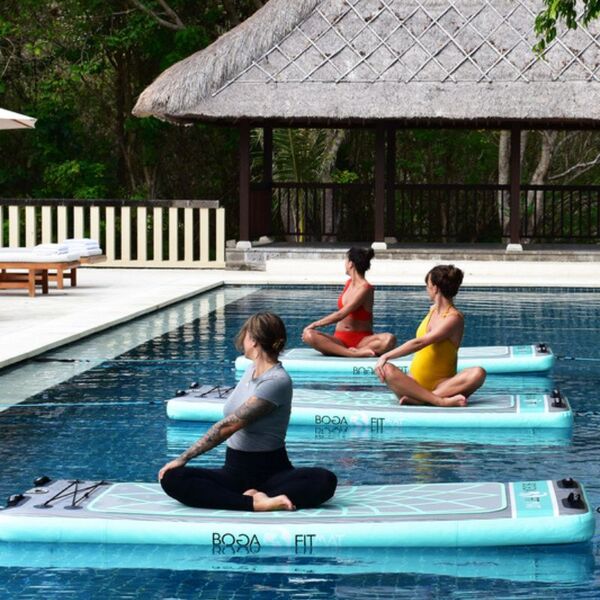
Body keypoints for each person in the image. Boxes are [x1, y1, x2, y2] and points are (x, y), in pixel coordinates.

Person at [159, 312, 337, 512]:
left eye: (245, 335)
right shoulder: (250, 370)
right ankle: (258, 501)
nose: (241, 340)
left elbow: (229, 426)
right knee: (173, 478)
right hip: (233, 472)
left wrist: (183, 458)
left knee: (324, 480)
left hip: (273, 473)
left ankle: (249, 501)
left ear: (253, 340)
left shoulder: (276, 381)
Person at [374, 265, 486, 407]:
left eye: (428, 285)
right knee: (386, 369)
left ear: (435, 288)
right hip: (412, 385)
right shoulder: (432, 310)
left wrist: (385, 356)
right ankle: (429, 398)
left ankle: (432, 400)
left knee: (478, 373)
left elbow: (420, 343)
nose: (426, 289)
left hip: (443, 387)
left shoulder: (454, 318)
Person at [302, 247, 396, 357]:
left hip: (363, 342)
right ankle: (350, 352)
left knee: (389, 339)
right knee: (309, 335)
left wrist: (314, 324)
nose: (345, 264)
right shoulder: (348, 283)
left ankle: (353, 353)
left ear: (351, 264)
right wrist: (311, 330)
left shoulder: (366, 288)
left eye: (346, 260)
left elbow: (341, 314)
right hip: (339, 341)